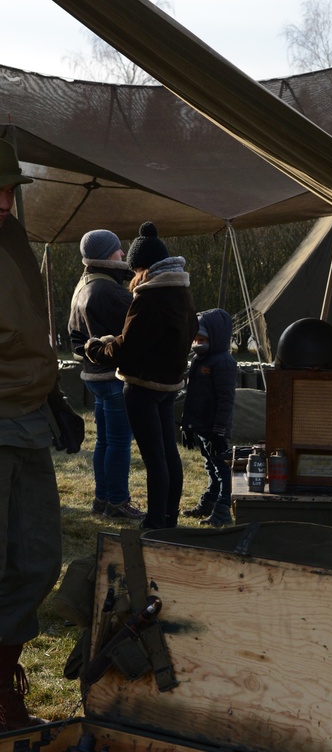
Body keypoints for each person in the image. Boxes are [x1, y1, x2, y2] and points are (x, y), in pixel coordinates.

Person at [0, 139, 61, 729]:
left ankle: (1, 682)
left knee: (37, 559)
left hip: (29, 418)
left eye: (8, 192)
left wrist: (53, 393)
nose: (2, 202)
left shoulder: (10, 235)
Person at [84, 222, 198, 532]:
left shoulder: (149, 297)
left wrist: (97, 349)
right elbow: (191, 331)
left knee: (154, 459)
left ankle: (154, 522)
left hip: (142, 387)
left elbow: (127, 347)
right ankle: (169, 518)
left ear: (141, 268)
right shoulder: (181, 292)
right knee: (169, 455)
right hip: (168, 385)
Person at [68, 229, 142, 520]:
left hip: (93, 376)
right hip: (112, 377)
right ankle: (117, 502)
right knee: (119, 442)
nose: (123, 253)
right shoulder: (109, 291)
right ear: (105, 255)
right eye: (117, 250)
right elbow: (134, 333)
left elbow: (75, 336)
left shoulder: (83, 284)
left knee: (104, 441)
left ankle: (101, 499)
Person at [180, 308, 237, 528]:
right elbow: (192, 396)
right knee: (210, 467)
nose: (196, 343)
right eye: (195, 339)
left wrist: (219, 431)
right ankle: (209, 503)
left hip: (215, 429)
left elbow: (226, 400)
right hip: (202, 427)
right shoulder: (199, 360)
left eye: (201, 339)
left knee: (222, 470)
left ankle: (223, 510)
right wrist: (187, 425)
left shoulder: (223, 362)